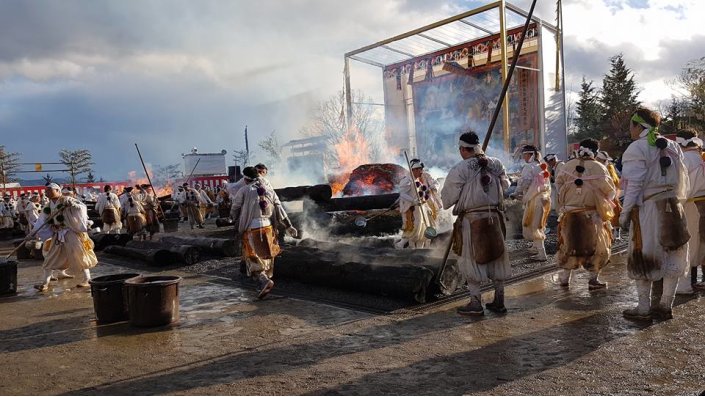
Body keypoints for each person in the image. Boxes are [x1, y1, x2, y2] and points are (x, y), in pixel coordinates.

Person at [619, 106, 690, 320]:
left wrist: (625, 212)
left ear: (638, 126)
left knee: (645, 253)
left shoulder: (636, 148)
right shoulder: (673, 146)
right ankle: (666, 304)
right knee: (673, 252)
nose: (629, 129)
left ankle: (643, 308)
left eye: (631, 125)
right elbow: (681, 176)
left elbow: (634, 185)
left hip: (649, 208)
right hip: (673, 205)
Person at [441, 131, 511, 315]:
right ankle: (499, 300)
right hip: (494, 217)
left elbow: (448, 198)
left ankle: (475, 303)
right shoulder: (496, 163)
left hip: (472, 220)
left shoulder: (460, 168)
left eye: (460, 149)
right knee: (497, 255)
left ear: (463, 149)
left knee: (471, 258)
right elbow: (506, 185)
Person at [554, 139, 617, 289]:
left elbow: (558, 185)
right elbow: (611, 192)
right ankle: (593, 279)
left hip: (569, 212)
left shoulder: (567, 165)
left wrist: (567, 197)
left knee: (568, 245)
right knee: (598, 247)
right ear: (595, 152)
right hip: (591, 214)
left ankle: (564, 278)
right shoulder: (599, 167)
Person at [231, 166, 297, 299]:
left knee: (253, 258)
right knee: (266, 257)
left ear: (245, 179)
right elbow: (279, 208)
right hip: (268, 228)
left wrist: (234, 219)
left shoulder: (244, 190)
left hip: (252, 229)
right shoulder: (269, 190)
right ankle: (263, 281)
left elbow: (235, 207)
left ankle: (263, 281)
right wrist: (289, 226)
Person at [33, 183, 98, 292]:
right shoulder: (48, 206)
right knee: (51, 257)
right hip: (58, 234)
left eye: (49, 190)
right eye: (46, 190)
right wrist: (34, 232)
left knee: (80, 254)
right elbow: (41, 221)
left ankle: (87, 279)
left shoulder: (66, 199)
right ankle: (45, 283)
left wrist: (73, 204)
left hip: (71, 232)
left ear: (58, 191)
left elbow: (82, 207)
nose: (47, 192)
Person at [675, 128, 705, 294]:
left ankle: (685, 284)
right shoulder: (700, 157)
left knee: (688, 244)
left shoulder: (684, 159)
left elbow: (681, 187)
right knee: (701, 244)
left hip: (691, 205)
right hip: (702, 204)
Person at [515, 145, 551, 261]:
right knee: (539, 223)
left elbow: (524, 182)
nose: (523, 157)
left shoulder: (529, 167)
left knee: (535, 225)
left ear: (530, 155)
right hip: (544, 199)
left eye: (525, 155)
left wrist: (516, 192)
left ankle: (541, 254)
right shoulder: (542, 166)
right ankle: (536, 247)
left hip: (535, 199)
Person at [396, 158, 437, 249]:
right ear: (413, 170)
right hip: (413, 210)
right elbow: (402, 194)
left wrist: (427, 208)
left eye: (421, 169)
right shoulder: (407, 180)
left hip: (421, 209)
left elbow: (422, 196)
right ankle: (400, 246)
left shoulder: (418, 181)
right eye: (418, 169)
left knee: (422, 231)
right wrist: (413, 201)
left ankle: (419, 249)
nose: (421, 171)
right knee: (413, 230)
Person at [596, 150, 623, 240]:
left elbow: (615, 182)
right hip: (602, 195)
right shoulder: (597, 167)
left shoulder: (609, 167)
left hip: (610, 194)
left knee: (615, 214)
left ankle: (616, 232)